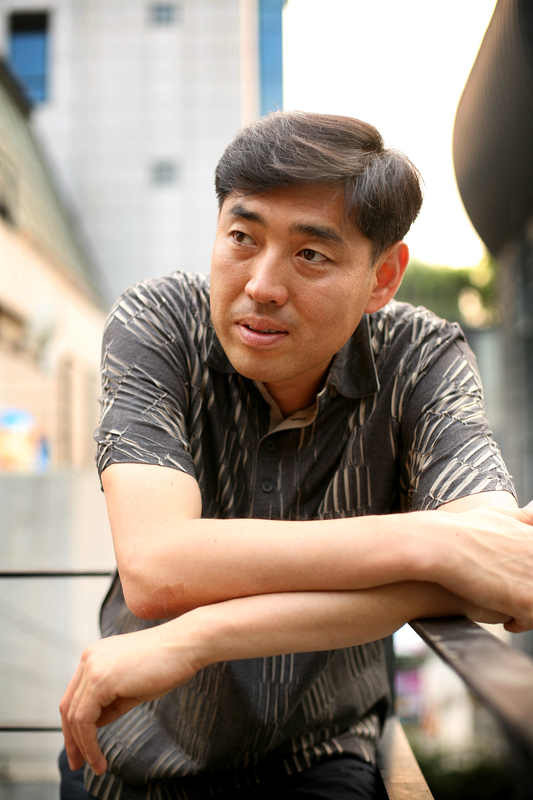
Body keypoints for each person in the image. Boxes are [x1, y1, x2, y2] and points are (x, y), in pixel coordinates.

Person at [60, 111, 533, 800]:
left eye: (310, 254)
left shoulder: (420, 356)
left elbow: (499, 566)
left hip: (318, 756)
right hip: (124, 750)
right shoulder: (157, 324)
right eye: (242, 238)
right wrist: (436, 544)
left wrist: (196, 637)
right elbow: (156, 567)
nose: (261, 285)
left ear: (382, 277)